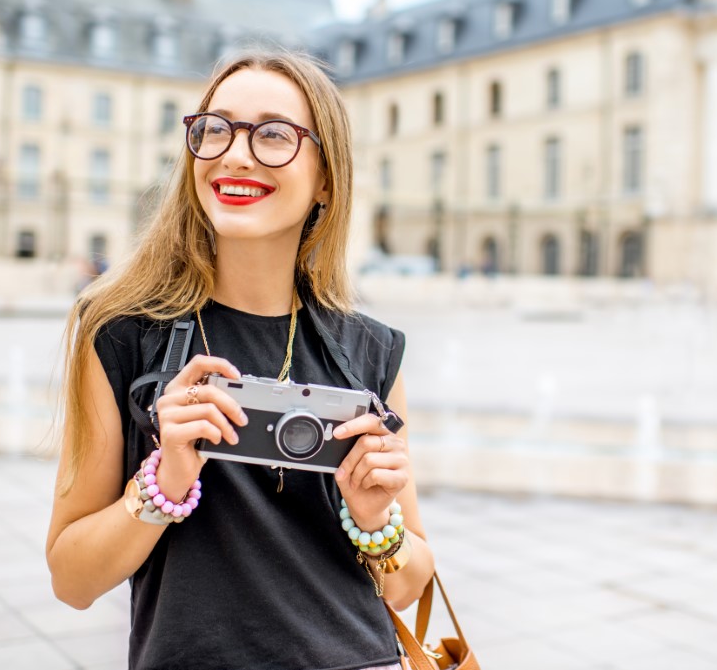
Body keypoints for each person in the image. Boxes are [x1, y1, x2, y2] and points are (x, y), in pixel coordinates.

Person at [46, 51, 434, 670]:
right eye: (215, 129)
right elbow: (71, 578)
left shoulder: (370, 350)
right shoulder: (121, 335)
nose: (235, 153)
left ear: (327, 178)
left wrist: (373, 516)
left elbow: (408, 581)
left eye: (274, 134)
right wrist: (163, 484)